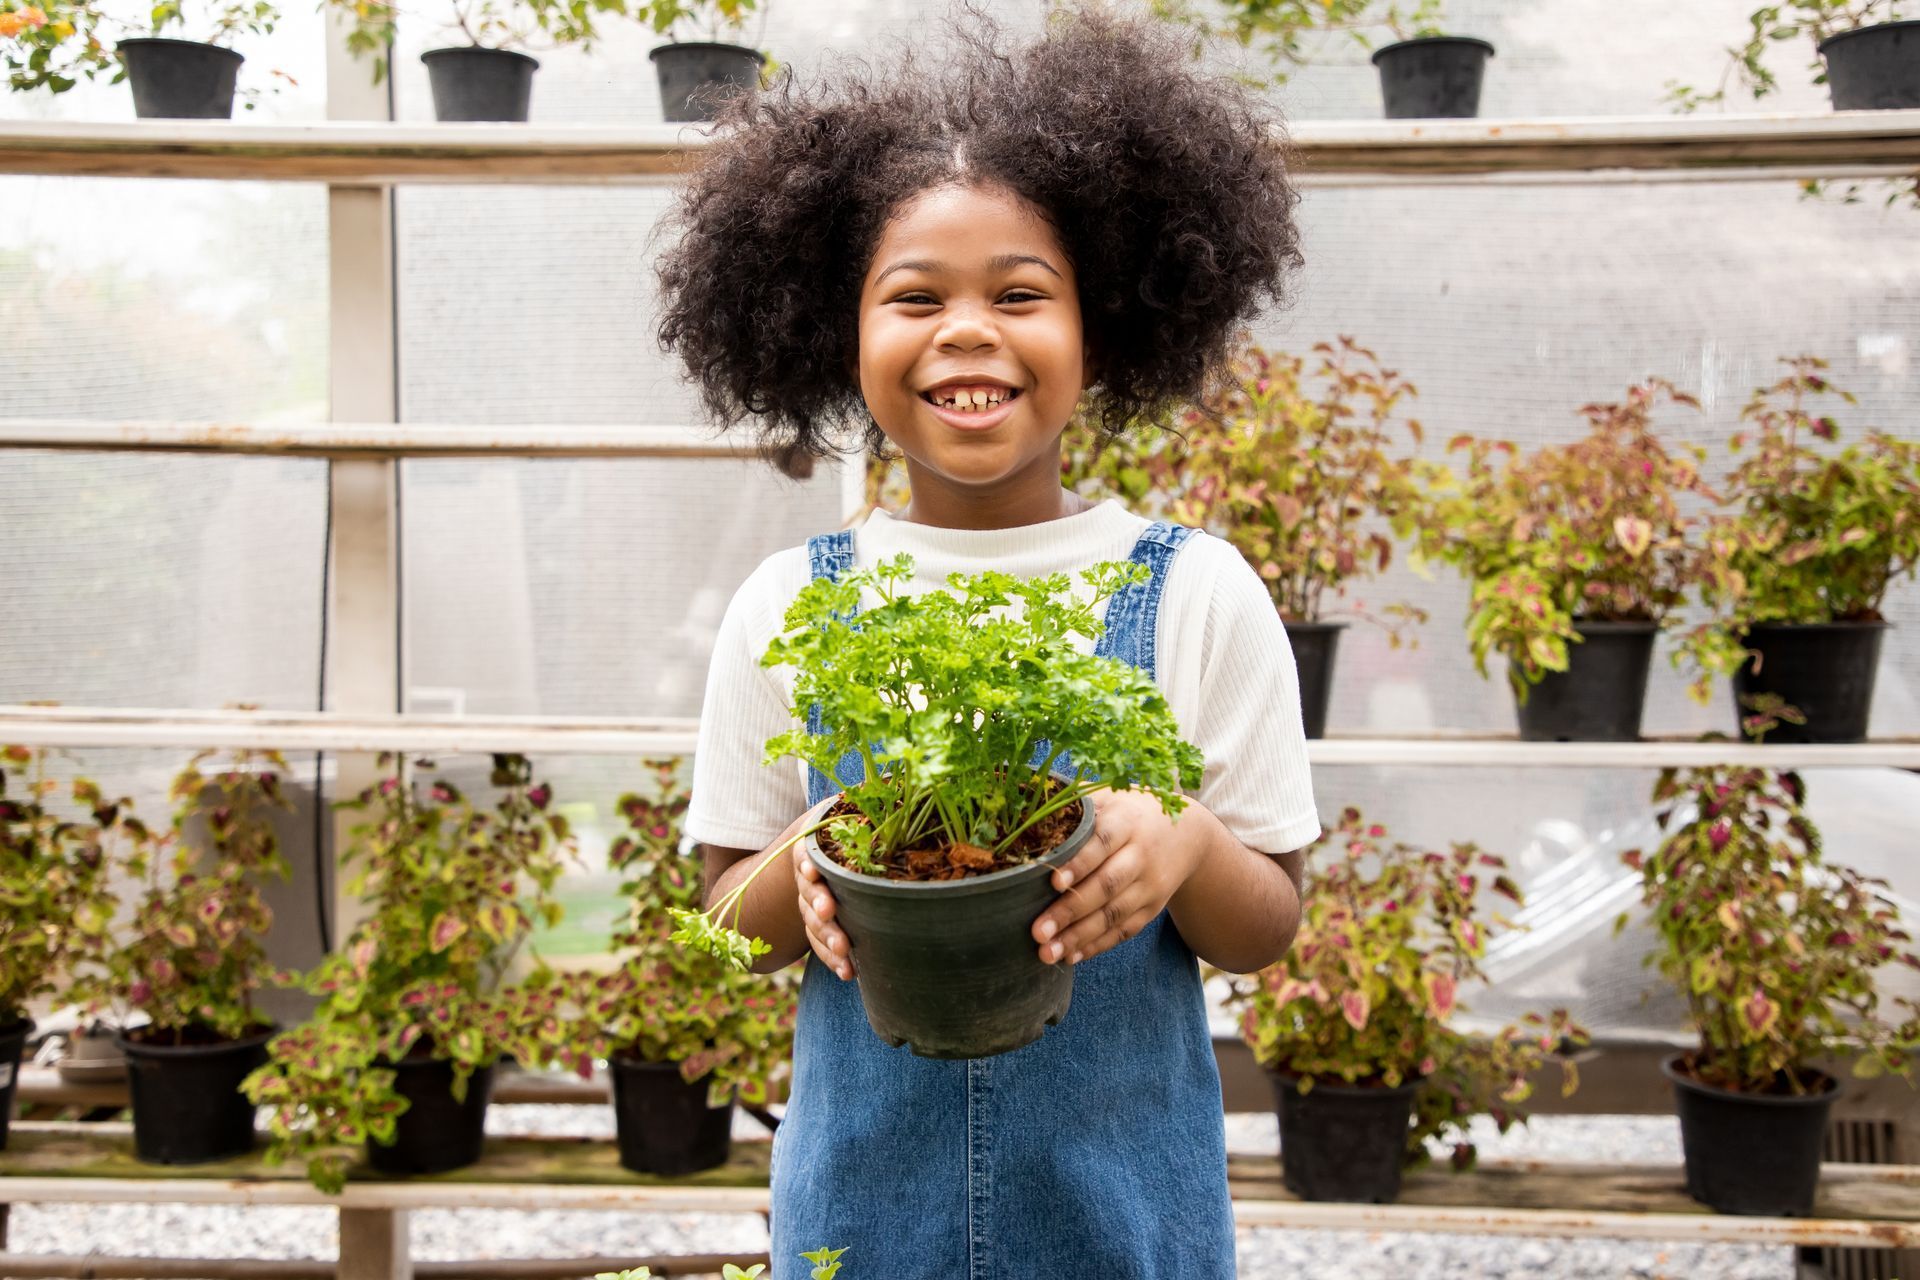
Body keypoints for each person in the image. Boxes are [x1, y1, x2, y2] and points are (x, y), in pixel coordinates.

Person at [659, 8, 1318, 1275]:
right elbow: (726, 909)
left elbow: (1270, 919)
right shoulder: (786, 602)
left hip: (1120, 1223)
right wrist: (806, 863)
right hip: (867, 1222)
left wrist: (1181, 836)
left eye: (1021, 294)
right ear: (835, 336)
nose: (967, 330)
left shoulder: (1198, 593)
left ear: (1104, 327)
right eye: (915, 297)